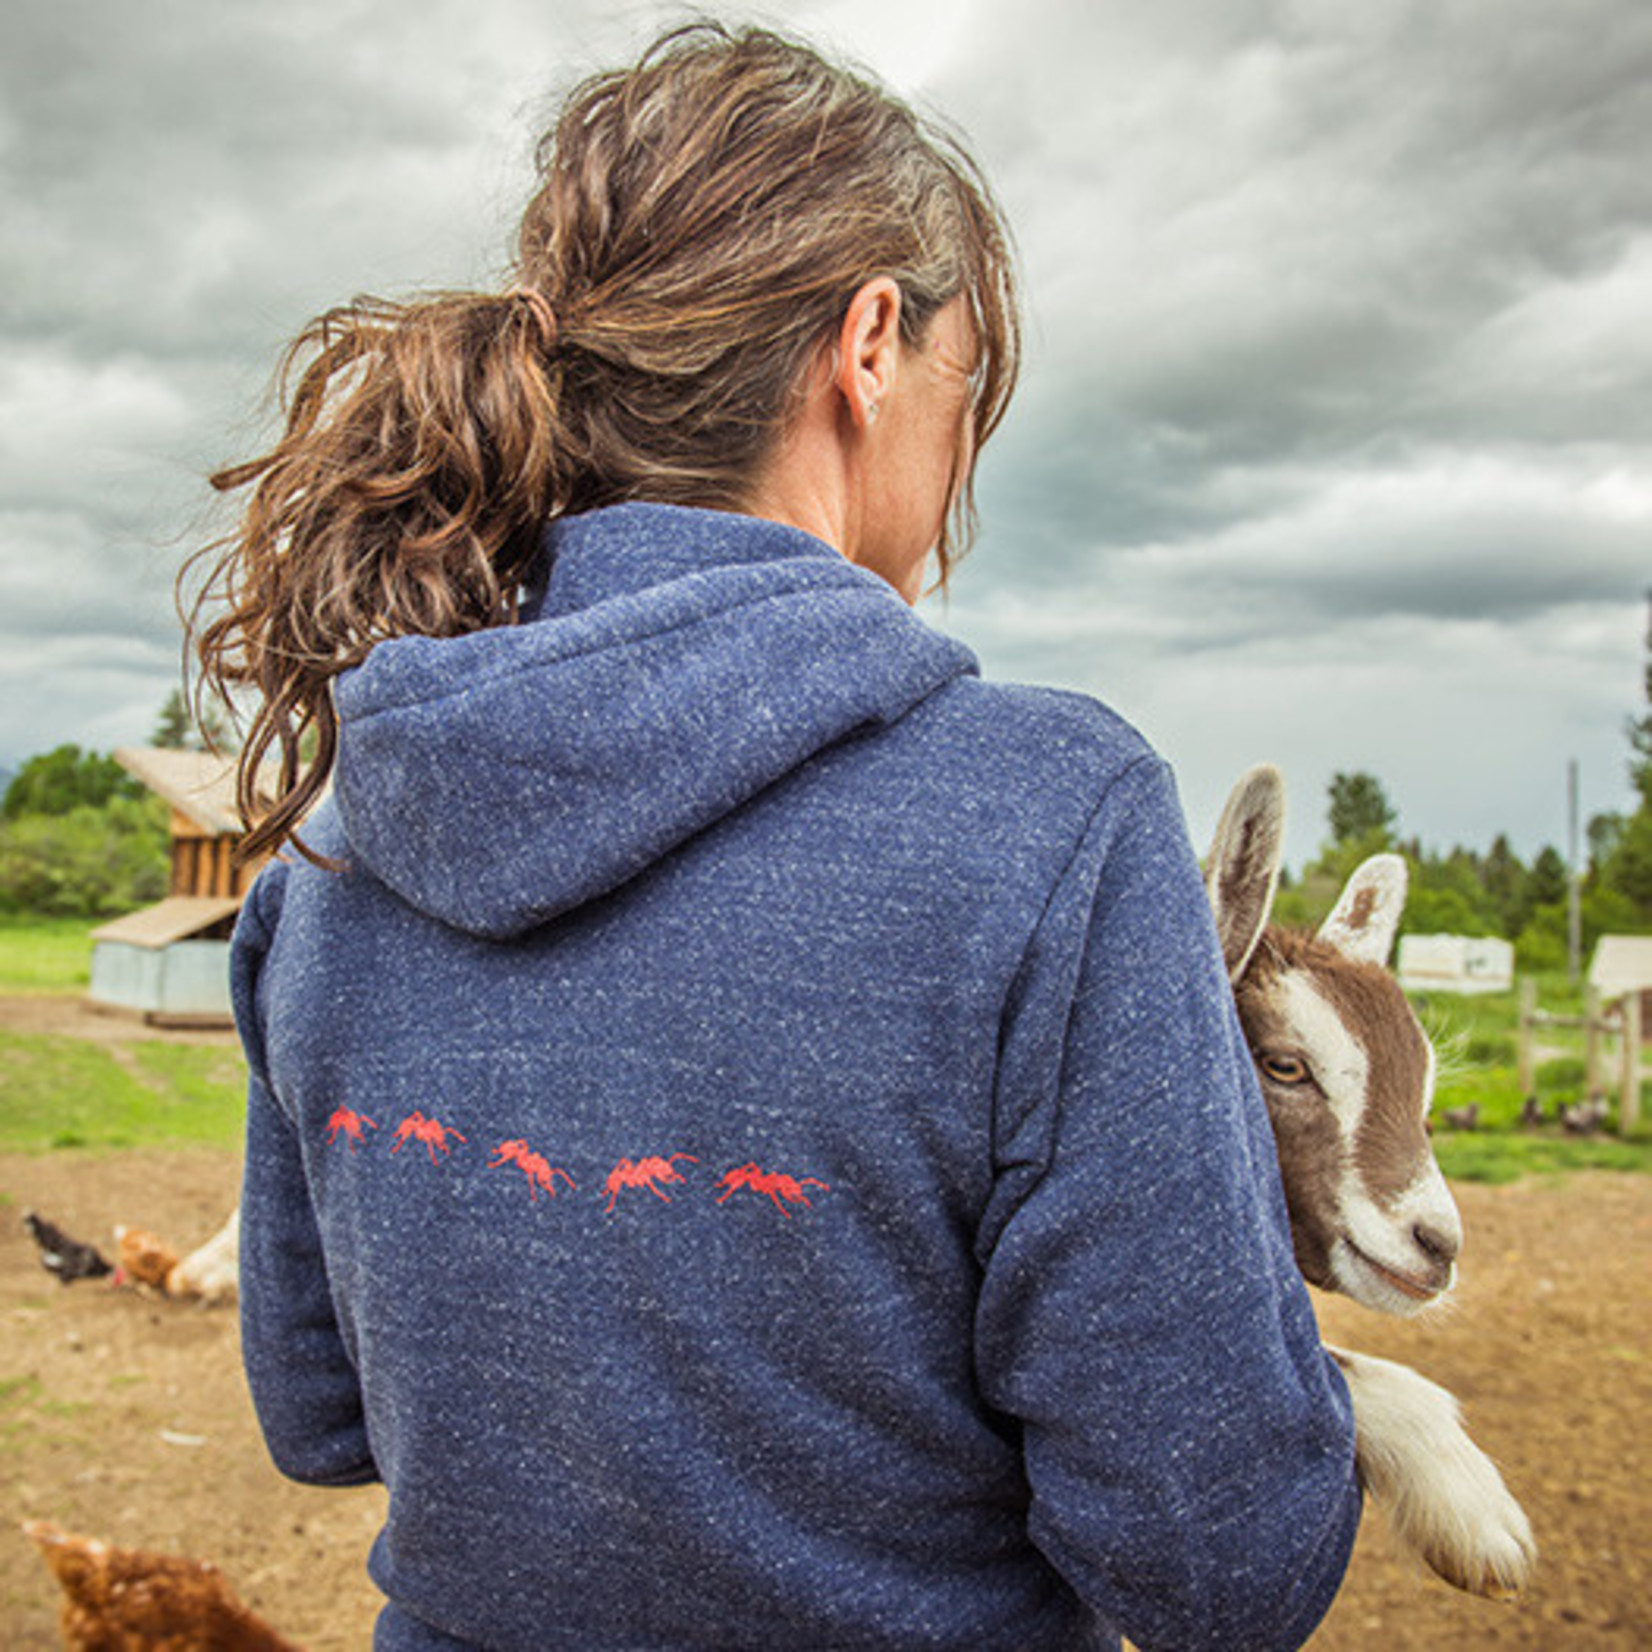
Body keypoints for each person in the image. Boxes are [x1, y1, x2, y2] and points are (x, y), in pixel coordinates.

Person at [191, 23, 1360, 1651]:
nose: (962, 457)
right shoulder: (1050, 821)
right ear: (869, 344)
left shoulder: (330, 855)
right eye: (974, 389)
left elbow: (322, 1417)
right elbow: (1220, 1559)